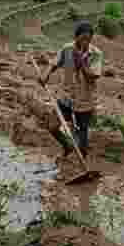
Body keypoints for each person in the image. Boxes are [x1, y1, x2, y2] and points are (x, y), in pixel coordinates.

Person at [38, 21, 103, 158]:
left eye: (88, 39)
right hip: (66, 96)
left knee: (82, 135)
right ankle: (67, 146)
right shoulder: (66, 49)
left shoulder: (96, 54)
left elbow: (93, 77)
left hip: (84, 100)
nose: (85, 42)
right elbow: (54, 63)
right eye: (82, 38)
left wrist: (82, 63)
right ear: (75, 37)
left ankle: (82, 159)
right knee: (52, 126)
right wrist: (46, 75)